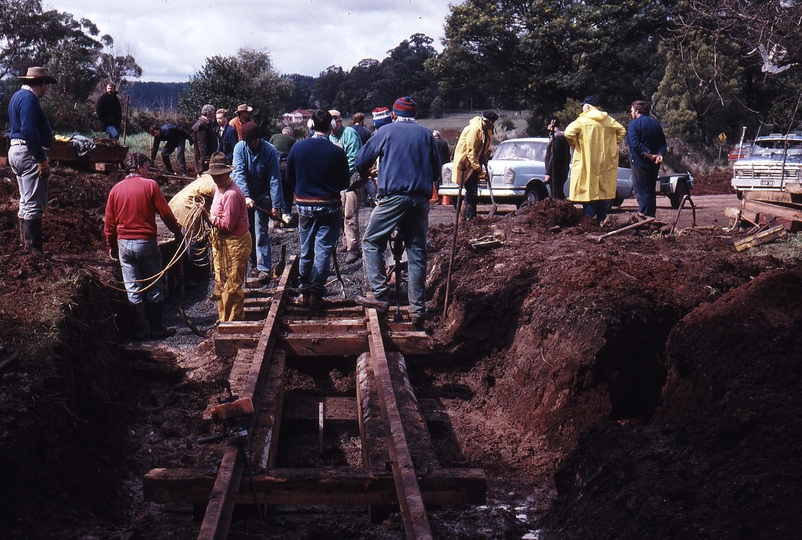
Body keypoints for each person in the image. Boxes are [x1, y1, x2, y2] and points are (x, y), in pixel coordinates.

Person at [353, 96, 441, 328]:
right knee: (416, 252)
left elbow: (361, 160)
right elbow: (436, 169)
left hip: (393, 198)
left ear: (394, 114)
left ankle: (381, 295)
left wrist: (363, 172)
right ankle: (418, 311)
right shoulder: (426, 134)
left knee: (371, 241)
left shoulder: (386, 132)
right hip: (420, 199)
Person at [104, 153, 184, 340]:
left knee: (133, 288)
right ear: (139, 167)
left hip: (124, 244)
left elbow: (109, 223)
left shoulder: (115, 190)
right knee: (154, 286)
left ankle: (139, 330)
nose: (148, 172)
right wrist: (177, 231)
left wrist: (111, 246)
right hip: (146, 243)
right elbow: (166, 214)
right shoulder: (150, 186)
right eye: (147, 167)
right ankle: (156, 328)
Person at [286, 110, 351, 309]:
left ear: (311, 126)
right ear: (331, 127)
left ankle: (304, 291)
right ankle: (316, 294)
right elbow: (344, 182)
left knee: (306, 250)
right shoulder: (337, 151)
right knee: (323, 251)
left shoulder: (297, 148)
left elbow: (289, 179)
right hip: (330, 206)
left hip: (305, 205)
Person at [8, 66, 57, 254]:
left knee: (25, 200)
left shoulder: (17, 97)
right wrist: (40, 158)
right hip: (28, 153)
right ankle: (33, 251)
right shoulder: (29, 100)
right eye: (47, 84)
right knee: (34, 203)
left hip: (16, 150)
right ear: (42, 83)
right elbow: (29, 130)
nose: (47, 89)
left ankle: (27, 249)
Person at [201, 157, 252, 322]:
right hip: (222, 242)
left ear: (227, 173)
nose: (216, 179)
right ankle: (224, 318)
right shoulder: (219, 188)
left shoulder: (231, 193)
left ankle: (234, 320)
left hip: (234, 242)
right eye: (214, 176)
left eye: (219, 176)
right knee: (221, 283)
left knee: (231, 286)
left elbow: (227, 225)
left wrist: (207, 216)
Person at [232, 122, 284, 284]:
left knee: (260, 230)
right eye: (250, 141)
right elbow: (238, 173)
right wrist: (246, 196)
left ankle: (263, 268)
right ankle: (251, 263)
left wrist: (276, 205)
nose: (253, 143)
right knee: (246, 231)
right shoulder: (239, 149)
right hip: (244, 196)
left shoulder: (269, 151)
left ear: (259, 138)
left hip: (263, 195)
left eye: (256, 140)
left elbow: (275, 179)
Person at [564, 96, 627, 223]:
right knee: (601, 191)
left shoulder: (582, 120)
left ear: (587, 106)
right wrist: (612, 144)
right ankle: (602, 221)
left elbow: (568, 133)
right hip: (604, 161)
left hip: (587, 160)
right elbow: (622, 130)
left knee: (588, 191)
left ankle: (589, 221)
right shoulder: (608, 119)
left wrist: (577, 145)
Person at [329, 109, 363, 264]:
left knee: (350, 215)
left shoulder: (349, 133)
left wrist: (338, 173)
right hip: (337, 180)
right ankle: (345, 242)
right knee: (340, 213)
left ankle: (354, 248)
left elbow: (353, 158)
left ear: (339, 121)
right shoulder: (330, 136)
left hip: (351, 180)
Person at [452, 110, 498, 219]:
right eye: (493, 122)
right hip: (466, 165)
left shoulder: (486, 131)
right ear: (490, 121)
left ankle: (469, 217)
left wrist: (484, 157)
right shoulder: (473, 130)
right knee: (471, 192)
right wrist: (479, 170)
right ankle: (469, 218)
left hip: (474, 163)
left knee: (472, 192)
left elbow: (483, 147)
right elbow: (470, 152)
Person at [627, 100, 667, 217]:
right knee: (650, 192)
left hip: (640, 163)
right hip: (654, 164)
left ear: (637, 110)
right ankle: (651, 218)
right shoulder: (655, 123)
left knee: (642, 193)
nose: (631, 113)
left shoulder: (634, 124)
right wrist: (660, 154)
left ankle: (644, 219)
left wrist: (648, 155)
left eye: (632, 111)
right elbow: (663, 143)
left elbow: (635, 144)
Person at [269, 126, 297, 224]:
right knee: (288, 188)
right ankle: (286, 214)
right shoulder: (292, 140)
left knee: (275, 188)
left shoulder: (274, 136)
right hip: (285, 166)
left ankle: (275, 214)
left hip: (274, 165)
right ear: (290, 134)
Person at [544, 116, 571, 200]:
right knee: (558, 193)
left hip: (556, 171)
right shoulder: (562, 136)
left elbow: (554, 156)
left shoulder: (558, 137)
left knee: (556, 195)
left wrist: (548, 173)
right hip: (562, 170)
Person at [191, 104, 217, 175]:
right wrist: (206, 159)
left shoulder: (205, 124)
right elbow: (202, 144)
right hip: (204, 161)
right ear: (207, 113)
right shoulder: (201, 126)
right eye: (213, 113)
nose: (214, 115)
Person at [432, 130, 451, 204]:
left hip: (436, 163)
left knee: (435, 179)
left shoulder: (433, 142)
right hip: (444, 163)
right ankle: (442, 195)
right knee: (443, 179)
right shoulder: (444, 143)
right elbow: (447, 154)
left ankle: (436, 194)